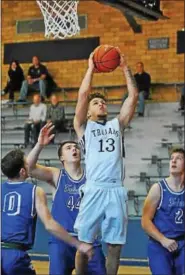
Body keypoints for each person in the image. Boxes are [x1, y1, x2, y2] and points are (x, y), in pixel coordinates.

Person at [73, 49, 138, 275]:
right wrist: (91, 68)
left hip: (115, 190)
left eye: (102, 102)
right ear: (89, 112)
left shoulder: (116, 125)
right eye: (96, 103)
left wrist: (125, 68)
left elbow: (132, 97)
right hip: (94, 188)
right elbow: (83, 96)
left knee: (115, 246)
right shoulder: (83, 127)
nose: (101, 104)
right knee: (84, 244)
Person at [26, 122, 106, 275]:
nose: (74, 149)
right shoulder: (57, 175)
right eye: (68, 148)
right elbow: (28, 168)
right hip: (62, 239)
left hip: (88, 239)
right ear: (62, 157)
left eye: (75, 147)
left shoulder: (92, 176)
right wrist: (39, 145)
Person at [1, 149, 92, 275]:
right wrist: (77, 244)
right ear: (22, 171)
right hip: (15, 254)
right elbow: (49, 224)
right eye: (26, 163)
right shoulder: (35, 191)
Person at [142, 148, 185, 275]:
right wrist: (163, 240)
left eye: (179, 158)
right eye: (172, 158)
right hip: (160, 245)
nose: (174, 161)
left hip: (182, 243)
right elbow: (145, 221)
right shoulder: (158, 188)